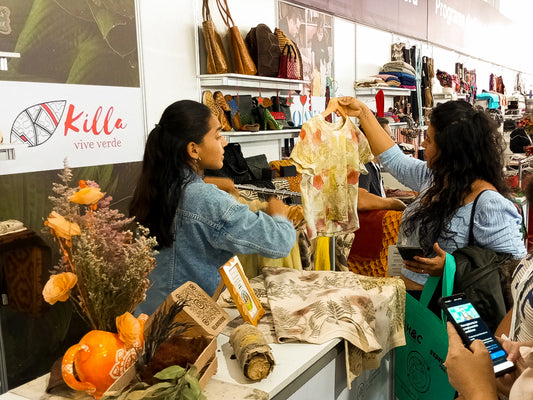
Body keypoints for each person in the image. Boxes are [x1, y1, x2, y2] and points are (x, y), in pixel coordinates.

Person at [336, 97, 526, 290]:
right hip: (410, 300)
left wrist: (451, 268)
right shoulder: (435, 178)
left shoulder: (489, 204)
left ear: (450, 150)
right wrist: (362, 112)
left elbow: (514, 269)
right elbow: (394, 159)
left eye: (429, 139)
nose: (424, 145)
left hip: (446, 311)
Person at [130, 100, 296, 314]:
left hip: (148, 316)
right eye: (217, 135)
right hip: (185, 324)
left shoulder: (154, 188)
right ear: (193, 149)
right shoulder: (204, 198)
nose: (224, 143)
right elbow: (279, 242)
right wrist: (279, 216)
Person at [359, 117, 389, 197]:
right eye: (387, 137)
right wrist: (392, 203)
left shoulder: (374, 165)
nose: (391, 142)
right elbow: (362, 200)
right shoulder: (364, 168)